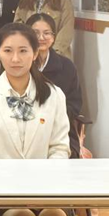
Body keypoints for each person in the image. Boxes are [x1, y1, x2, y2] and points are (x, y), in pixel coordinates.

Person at [0, 23, 71, 216]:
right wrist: (9, 182)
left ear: (35, 53)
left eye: (23, 51)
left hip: (45, 188)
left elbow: (60, 148)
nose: (15, 59)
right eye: (8, 50)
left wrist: (41, 183)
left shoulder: (54, 95)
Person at [27, 13, 82, 157]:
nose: (41, 38)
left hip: (60, 129)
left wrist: (50, 117)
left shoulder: (67, 66)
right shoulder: (20, 65)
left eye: (47, 33)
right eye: (35, 33)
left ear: (54, 36)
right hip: (25, 129)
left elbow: (74, 104)